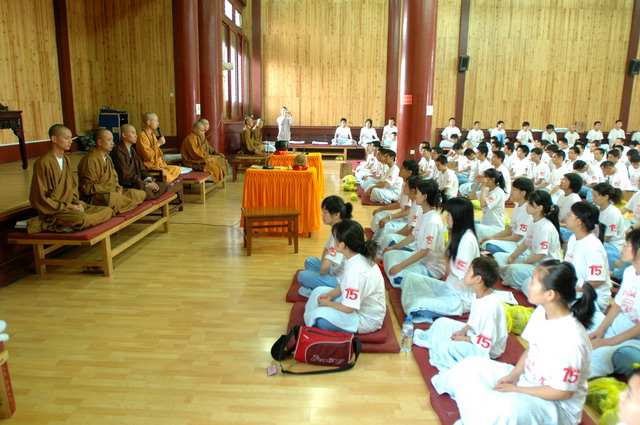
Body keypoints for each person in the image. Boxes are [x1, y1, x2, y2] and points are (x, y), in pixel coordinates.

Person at [432, 260, 596, 425]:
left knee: (504, 411)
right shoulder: (542, 312)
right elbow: (532, 349)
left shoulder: (572, 339)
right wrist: (513, 376)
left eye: (533, 283)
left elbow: (562, 393)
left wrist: (517, 389)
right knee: (470, 366)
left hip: (556, 407)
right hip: (527, 380)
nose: (529, 286)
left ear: (550, 294)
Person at [413, 256, 507, 372]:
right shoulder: (477, 293)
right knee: (441, 323)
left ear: (478, 279)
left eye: (469, 271)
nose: (465, 273)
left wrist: (462, 338)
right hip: (475, 335)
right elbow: (473, 321)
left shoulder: (489, 306)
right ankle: (436, 342)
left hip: (486, 350)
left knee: (445, 348)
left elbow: (486, 342)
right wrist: (463, 331)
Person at [401, 197, 480, 322]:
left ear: (458, 217)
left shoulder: (467, 241)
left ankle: (421, 306)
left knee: (417, 304)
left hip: (459, 298)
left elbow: (463, 277)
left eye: (449, 215)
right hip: (448, 287)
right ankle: (424, 304)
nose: (446, 218)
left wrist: (443, 259)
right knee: (410, 278)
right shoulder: (457, 234)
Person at [304, 220, 386, 334]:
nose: (333, 242)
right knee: (318, 291)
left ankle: (316, 316)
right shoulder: (354, 257)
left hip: (365, 319)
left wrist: (328, 304)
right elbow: (344, 283)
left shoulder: (356, 270)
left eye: (335, 239)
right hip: (357, 305)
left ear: (342, 245)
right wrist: (330, 295)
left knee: (320, 319)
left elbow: (349, 308)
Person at [28, 125, 114, 233]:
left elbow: (72, 187)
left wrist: (76, 203)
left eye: (71, 138)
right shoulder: (43, 163)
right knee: (83, 218)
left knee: (107, 210)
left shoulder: (66, 160)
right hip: (55, 210)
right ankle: (54, 223)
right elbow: (39, 198)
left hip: (70, 206)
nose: (70, 141)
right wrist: (68, 207)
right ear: (54, 139)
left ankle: (67, 224)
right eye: (66, 138)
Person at [588, 228, 640, 378]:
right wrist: (601, 330)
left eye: (627, 244)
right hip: (619, 326)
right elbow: (618, 305)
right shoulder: (629, 272)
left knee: (621, 357)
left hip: (634, 338)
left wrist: (609, 341)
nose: (623, 248)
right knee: (582, 333)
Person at [495, 190, 562, 295]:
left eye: (530, 204)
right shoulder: (533, 221)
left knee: (514, 269)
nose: (527, 205)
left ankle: (511, 276)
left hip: (543, 267)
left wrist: (521, 264)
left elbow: (541, 255)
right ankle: (509, 274)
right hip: (532, 260)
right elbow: (526, 243)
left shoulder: (545, 228)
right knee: (498, 256)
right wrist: (512, 256)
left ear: (539, 208)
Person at [382, 179, 447, 286]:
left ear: (424, 196)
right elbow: (413, 236)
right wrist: (393, 247)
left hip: (430, 268)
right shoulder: (424, 213)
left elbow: (424, 251)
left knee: (395, 276)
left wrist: (401, 266)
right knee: (388, 254)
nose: (414, 195)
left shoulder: (432, 221)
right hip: (420, 258)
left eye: (417, 193)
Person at [77, 129, 146, 214]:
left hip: (112, 191)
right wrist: (110, 190)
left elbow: (115, 177)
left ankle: (124, 205)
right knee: (112, 198)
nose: (112, 143)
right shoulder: (90, 160)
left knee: (140, 194)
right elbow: (88, 187)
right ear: (99, 142)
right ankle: (126, 205)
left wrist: (118, 189)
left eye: (112, 140)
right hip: (97, 196)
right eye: (109, 140)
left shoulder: (108, 158)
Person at [298, 196, 353, 297]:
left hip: (340, 281)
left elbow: (324, 267)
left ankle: (325, 289)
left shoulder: (340, 234)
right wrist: (322, 272)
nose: (322, 215)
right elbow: (326, 249)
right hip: (333, 270)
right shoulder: (337, 228)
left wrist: (321, 273)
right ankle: (321, 284)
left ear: (336, 214)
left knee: (302, 276)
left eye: (325, 212)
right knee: (309, 261)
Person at [563, 202, 611, 312]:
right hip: (576, 289)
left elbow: (597, 281)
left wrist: (569, 290)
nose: (567, 216)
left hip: (592, 298)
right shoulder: (573, 238)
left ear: (579, 221)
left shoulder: (593, 247)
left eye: (570, 214)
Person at [110, 124, 173, 201]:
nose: (136, 136)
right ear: (124, 135)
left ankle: (149, 194)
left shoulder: (132, 150)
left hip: (139, 182)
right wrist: (145, 184)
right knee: (147, 192)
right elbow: (125, 175)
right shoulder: (118, 151)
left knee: (163, 186)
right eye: (133, 133)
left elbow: (141, 168)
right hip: (129, 184)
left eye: (136, 133)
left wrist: (149, 180)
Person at [481, 177, 534, 255]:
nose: (511, 192)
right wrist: (492, 237)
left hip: (521, 246)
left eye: (514, 190)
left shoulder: (527, 211)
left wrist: (493, 239)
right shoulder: (517, 206)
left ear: (523, 193)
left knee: (489, 245)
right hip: (514, 241)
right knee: (486, 241)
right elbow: (509, 230)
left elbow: (516, 238)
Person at [370, 160, 419, 235]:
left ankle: (380, 236)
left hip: (407, 222)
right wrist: (381, 208)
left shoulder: (411, 188)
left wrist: (389, 217)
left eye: (402, 168)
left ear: (409, 172)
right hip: (403, 219)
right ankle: (378, 235)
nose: (400, 169)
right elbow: (399, 204)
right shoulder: (404, 184)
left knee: (385, 227)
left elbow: (407, 211)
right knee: (378, 215)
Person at [375, 176, 422, 254]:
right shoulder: (414, 203)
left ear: (412, 190)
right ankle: (376, 246)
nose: (404, 187)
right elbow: (409, 226)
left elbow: (411, 231)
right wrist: (396, 233)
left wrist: (395, 234)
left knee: (389, 237)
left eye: (406, 185)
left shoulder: (417, 206)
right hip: (409, 231)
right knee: (386, 231)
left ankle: (380, 253)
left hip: (414, 241)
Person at [137, 113, 181, 182]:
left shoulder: (153, 135)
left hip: (158, 165)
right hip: (149, 167)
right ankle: (167, 179)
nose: (158, 123)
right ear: (148, 122)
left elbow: (158, 155)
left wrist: (162, 166)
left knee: (177, 168)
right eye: (155, 121)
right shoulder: (142, 136)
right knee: (165, 174)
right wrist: (158, 143)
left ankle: (168, 177)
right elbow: (148, 156)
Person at [592, 182, 626, 267]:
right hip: (600, 239)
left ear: (606, 197)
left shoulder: (612, 214)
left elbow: (607, 238)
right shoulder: (597, 208)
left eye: (596, 196)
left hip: (613, 245)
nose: (593, 198)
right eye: (593, 195)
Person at [471, 168, 507, 241]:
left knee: (476, 228)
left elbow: (482, 204)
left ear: (492, 179)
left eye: (485, 177)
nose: (483, 179)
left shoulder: (498, 192)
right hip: (485, 224)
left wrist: (483, 186)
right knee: (467, 224)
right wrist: (477, 183)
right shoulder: (488, 189)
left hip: (495, 228)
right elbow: (471, 196)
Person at [556, 173, 583, 241]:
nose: (561, 181)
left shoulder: (575, 199)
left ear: (573, 184)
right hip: (560, 224)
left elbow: (576, 223)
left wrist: (559, 224)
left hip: (568, 229)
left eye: (565, 180)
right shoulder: (562, 196)